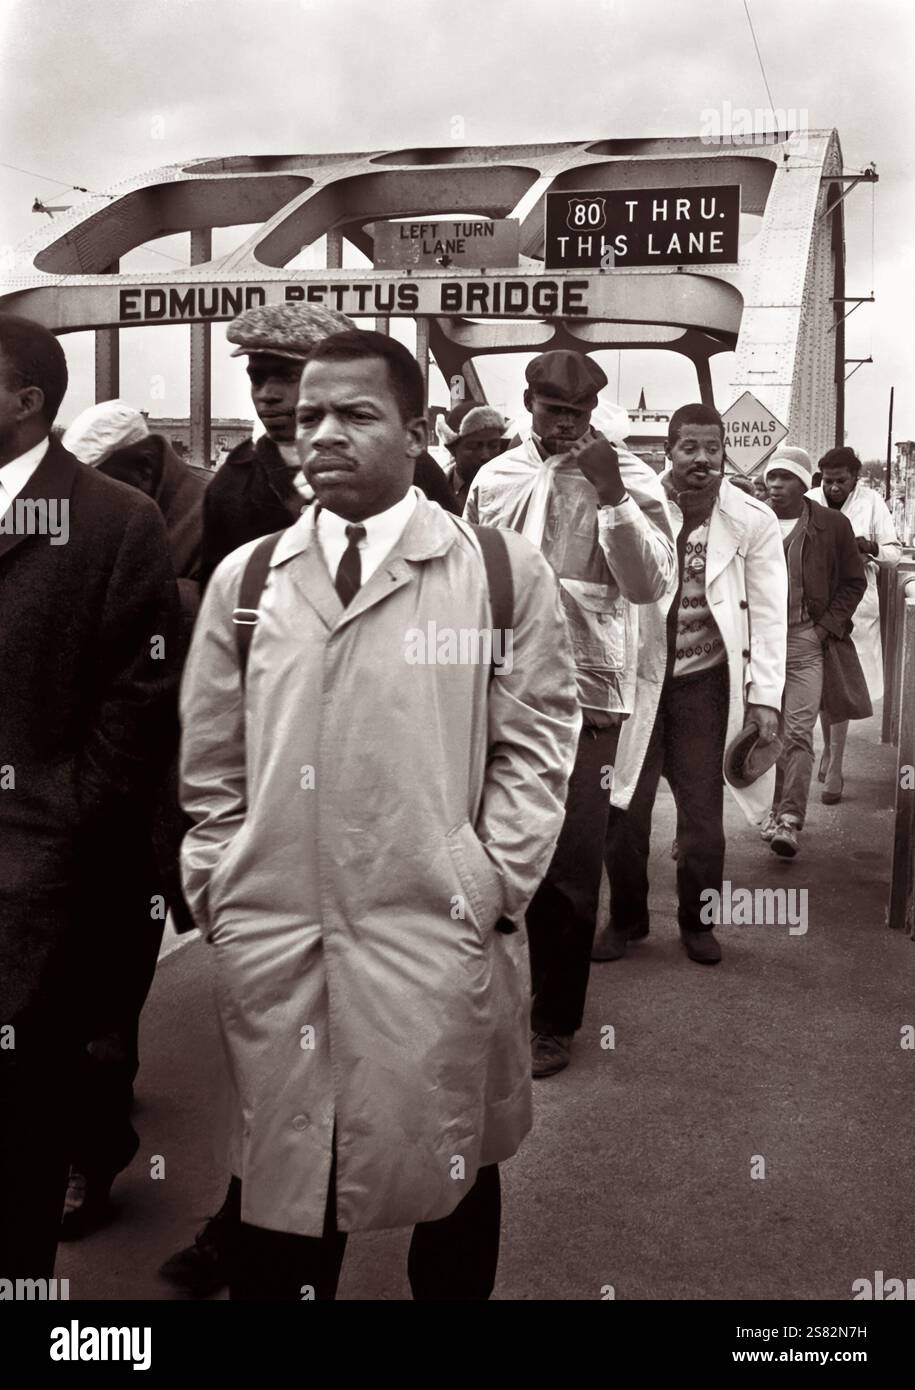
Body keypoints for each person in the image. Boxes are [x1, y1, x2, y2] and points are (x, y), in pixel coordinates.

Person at [179, 330, 580, 1300]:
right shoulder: (248, 581)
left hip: (438, 928)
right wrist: (221, 880)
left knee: (452, 1171)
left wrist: (489, 880)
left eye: (355, 414)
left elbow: (535, 742)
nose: (321, 433)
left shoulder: (496, 572)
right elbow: (211, 758)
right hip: (282, 940)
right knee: (288, 1192)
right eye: (310, 414)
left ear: (415, 429)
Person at [0, 316, 180, 1282]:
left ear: (26, 401)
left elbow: (138, 697)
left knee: (21, 1116)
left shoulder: (113, 519)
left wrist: (65, 819)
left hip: (38, 878)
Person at [465, 350, 676, 1077]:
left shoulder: (629, 475)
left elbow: (647, 585)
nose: (566, 425)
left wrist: (610, 493)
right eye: (554, 411)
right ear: (528, 404)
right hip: (497, 689)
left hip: (589, 699)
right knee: (484, 852)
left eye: (579, 414)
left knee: (569, 864)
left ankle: (554, 1021)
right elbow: (467, 573)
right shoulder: (494, 478)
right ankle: (488, 1005)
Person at [54, 400, 204, 1238]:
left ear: (142, 469)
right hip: (78, 798)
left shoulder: (210, 520)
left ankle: (91, 1157)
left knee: (100, 1000)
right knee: (83, 994)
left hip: (145, 800)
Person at [596, 403, 788, 962]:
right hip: (638, 684)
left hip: (704, 689)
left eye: (712, 448)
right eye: (689, 448)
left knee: (703, 822)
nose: (702, 459)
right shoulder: (637, 503)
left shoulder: (751, 519)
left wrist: (764, 698)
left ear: (724, 451)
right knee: (623, 813)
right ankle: (627, 920)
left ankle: (698, 924)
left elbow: (769, 614)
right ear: (669, 451)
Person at [201, 306, 462, 588]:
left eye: (289, 377)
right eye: (257, 378)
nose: (267, 394)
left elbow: (456, 568)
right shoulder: (233, 482)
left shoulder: (407, 466)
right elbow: (219, 591)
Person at [760, 448, 867, 856]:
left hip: (806, 641)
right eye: (772, 476)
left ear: (805, 483)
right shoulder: (754, 520)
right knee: (763, 732)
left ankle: (789, 818)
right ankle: (770, 810)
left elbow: (854, 582)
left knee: (798, 732)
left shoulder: (832, 525)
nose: (776, 484)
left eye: (786, 477)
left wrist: (824, 629)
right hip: (759, 644)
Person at [808, 446, 901, 802]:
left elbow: (893, 554)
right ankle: (829, 752)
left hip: (855, 607)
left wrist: (871, 546)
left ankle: (835, 765)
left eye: (841, 481)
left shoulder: (872, 503)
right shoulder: (809, 501)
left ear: (855, 478)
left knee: (842, 687)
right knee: (822, 684)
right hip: (817, 606)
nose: (833, 488)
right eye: (828, 481)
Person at [439, 402, 508, 512]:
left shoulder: (513, 489)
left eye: (493, 445)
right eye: (474, 447)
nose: (486, 456)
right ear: (452, 449)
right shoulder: (434, 491)